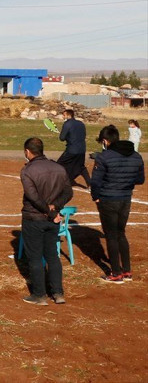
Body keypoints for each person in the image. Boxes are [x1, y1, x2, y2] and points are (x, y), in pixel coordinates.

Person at [20, 137, 73, 305]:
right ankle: (58, 293)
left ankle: (39, 295)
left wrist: (49, 211)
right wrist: (54, 207)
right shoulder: (59, 168)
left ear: (27, 152)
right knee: (52, 256)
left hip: (34, 218)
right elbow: (68, 193)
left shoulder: (27, 171)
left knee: (35, 257)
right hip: (53, 219)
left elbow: (33, 197)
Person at [90, 125, 145, 283]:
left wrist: (96, 196)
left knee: (111, 235)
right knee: (121, 233)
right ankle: (127, 271)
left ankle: (115, 273)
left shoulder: (103, 157)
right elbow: (140, 179)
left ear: (106, 141)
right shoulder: (136, 156)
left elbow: (96, 182)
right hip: (125, 199)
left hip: (108, 199)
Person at [57, 109, 91, 188]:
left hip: (71, 150)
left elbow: (62, 138)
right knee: (81, 167)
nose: (63, 116)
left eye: (64, 115)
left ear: (69, 115)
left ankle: (58, 181)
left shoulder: (67, 124)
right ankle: (90, 184)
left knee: (59, 164)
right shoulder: (81, 123)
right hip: (82, 150)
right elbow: (82, 135)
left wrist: (65, 136)